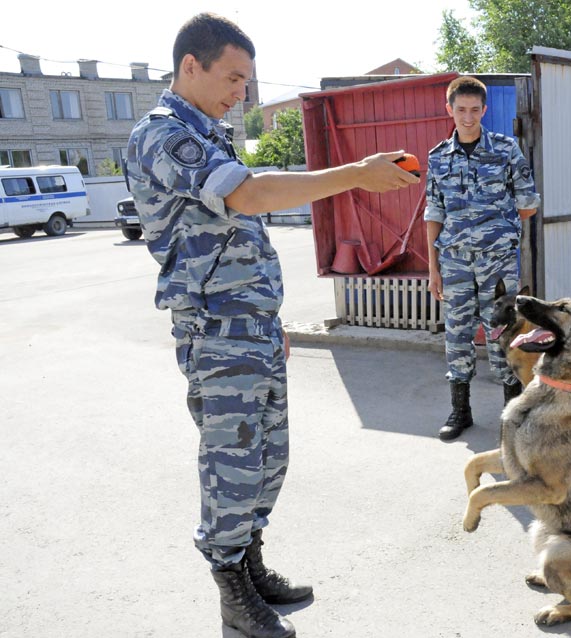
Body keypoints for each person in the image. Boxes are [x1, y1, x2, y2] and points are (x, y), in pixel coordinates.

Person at [125, 13, 417, 638]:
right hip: (216, 332)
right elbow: (249, 197)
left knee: (267, 461)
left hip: (251, 326)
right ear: (190, 67)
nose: (242, 94)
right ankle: (232, 591)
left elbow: (237, 233)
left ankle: (250, 563)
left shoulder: (211, 134)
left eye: (248, 83)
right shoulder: (163, 135)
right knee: (231, 463)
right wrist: (355, 175)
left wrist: (267, 318)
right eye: (233, 78)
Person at [425, 76, 541, 441]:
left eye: (475, 110)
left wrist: (497, 231)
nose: (468, 117)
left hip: (497, 265)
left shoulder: (507, 150)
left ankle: (513, 414)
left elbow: (527, 204)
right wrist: (433, 268)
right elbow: (434, 213)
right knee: (457, 335)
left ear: (484, 110)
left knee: (502, 334)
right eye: (461, 109)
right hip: (455, 263)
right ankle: (461, 411)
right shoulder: (438, 157)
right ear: (450, 110)